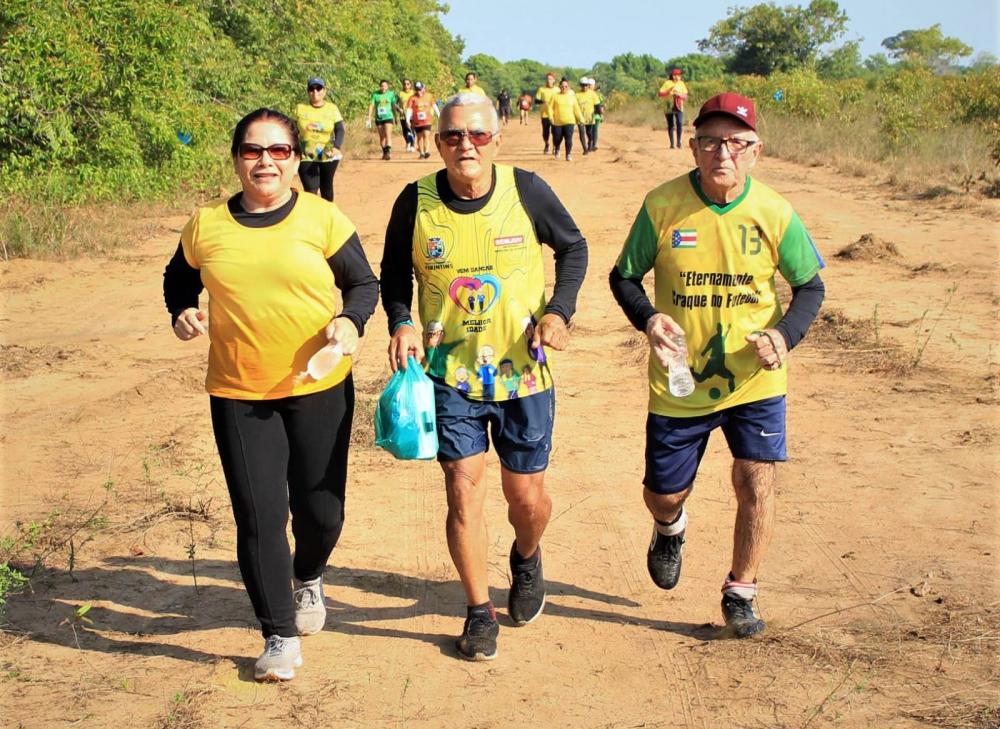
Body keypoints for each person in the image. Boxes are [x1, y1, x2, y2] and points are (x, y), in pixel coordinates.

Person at [162, 108, 379, 680]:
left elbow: (362, 283)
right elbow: (178, 278)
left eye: (279, 151)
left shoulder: (322, 218)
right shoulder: (206, 224)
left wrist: (351, 322)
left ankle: (309, 575)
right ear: (236, 159)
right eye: (254, 151)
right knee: (259, 516)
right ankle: (279, 635)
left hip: (319, 384)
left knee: (321, 512)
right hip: (238, 390)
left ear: (294, 160)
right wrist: (182, 310)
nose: (266, 161)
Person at [608, 92, 826, 638]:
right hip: (679, 380)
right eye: (710, 141)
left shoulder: (774, 211)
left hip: (755, 379)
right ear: (693, 147)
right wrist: (649, 318)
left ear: (755, 151)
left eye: (735, 143)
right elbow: (623, 277)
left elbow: (809, 285)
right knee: (663, 491)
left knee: (756, 480)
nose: (722, 153)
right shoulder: (662, 206)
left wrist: (784, 334)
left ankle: (741, 590)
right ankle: (669, 526)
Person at [380, 93, 588, 661]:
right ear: (437, 140)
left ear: (496, 139)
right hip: (449, 377)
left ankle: (527, 555)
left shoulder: (527, 191)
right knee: (461, 488)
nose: (464, 145)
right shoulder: (415, 201)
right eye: (451, 136)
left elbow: (573, 248)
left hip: (525, 377)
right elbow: (393, 272)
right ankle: (478, 612)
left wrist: (559, 311)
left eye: (475, 135)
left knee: (526, 499)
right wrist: (401, 321)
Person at [293, 77, 345, 202]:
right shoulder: (300, 108)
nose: (315, 92)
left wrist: (336, 147)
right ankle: (313, 218)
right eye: (311, 89)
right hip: (306, 155)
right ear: (308, 92)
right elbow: (291, 131)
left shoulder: (332, 108)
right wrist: (293, 150)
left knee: (326, 188)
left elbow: (340, 129)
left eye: (318, 88)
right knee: (310, 190)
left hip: (327, 155)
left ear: (324, 91)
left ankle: (328, 217)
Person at [546, 78, 583, 161]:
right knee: (557, 139)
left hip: (569, 121)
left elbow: (576, 109)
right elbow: (550, 108)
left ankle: (568, 154)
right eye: (562, 86)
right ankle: (557, 148)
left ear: (568, 87)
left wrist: (581, 119)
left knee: (568, 138)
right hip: (557, 122)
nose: (564, 88)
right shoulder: (555, 96)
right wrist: (550, 117)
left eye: (566, 86)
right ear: (559, 87)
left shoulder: (572, 97)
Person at [406, 81, 439, 159]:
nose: (419, 91)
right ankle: (421, 153)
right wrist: (407, 120)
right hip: (417, 121)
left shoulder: (429, 96)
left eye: (420, 89)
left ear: (423, 88)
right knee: (419, 137)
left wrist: (439, 115)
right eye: (417, 90)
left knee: (426, 135)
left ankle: (426, 151)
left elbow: (434, 106)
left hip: (427, 120)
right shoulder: (412, 98)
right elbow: (409, 109)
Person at [367, 79, 399, 160]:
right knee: (382, 137)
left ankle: (388, 152)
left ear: (387, 87)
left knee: (388, 135)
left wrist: (396, 117)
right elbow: (371, 105)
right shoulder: (375, 94)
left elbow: (393, 106)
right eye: (382, 86)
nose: (383, 88)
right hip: (379, 118)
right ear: (380, 86)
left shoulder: (391, 94)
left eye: (385, 86)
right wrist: (369, 117)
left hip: (388, 117)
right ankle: (384, 152)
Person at [658, 68, 689, 149]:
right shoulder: (667, 83)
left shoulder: (681, 84)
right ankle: (672, 143)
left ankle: (679, 142)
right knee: (671, 125)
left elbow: (686, 96)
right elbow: (660, 93)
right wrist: (669, 91)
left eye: (678, 75)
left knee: (679, 123)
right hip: (668, 106)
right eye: (675, 75)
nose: (676, 77)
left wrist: (679, 95)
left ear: (680, 76)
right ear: (672, 76)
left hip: (679, 106)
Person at [534, 72, 558, 153]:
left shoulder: (557, 90)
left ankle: (555, 147)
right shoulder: (542, 89)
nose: (548, 81)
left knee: (555, 132)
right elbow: (536, 100)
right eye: (547, 79)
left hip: (555, 114)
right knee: (545, 132)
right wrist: (543, 101)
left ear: (554, 80)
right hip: (544, 114)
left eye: (550, 79)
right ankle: (547, 144)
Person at [575, 77, 599, 155]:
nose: (584, 87)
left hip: (590, 117)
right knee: (582, 133)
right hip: (580, 117)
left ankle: (590, 143)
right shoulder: (576, 95)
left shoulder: (592, 94)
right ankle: (585, 149)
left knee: (589, 133)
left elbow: (597, 105)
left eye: (586, 85)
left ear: (588, 85)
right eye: (582, 85)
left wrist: (597, 113)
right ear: (580, 85)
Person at [399, 78, 417, 153]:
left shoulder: (413, 93)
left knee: (411, 129)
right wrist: (399, 109)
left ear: (410, 85)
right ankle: (408, 142)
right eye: (404, 84)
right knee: (405, 131)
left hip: (412, 115)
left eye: (408, 84)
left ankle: (412, 145)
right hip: (403, 115)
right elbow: (395, 104)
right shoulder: (400, 94)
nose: (406, 86)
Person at [590, 80, 605, 151]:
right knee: (589, 130)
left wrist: (602, 114)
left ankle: (594, 144)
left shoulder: (598, 95)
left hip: (596, 115)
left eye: (591, 85)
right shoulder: (586, 94)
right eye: (589, 85)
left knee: (595, 129)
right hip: (588, 115)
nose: (590, 86)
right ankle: (590, 143)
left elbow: (601, 105)